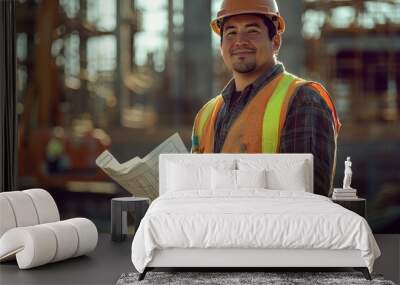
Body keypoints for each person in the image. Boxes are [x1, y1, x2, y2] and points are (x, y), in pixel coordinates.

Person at [191, 0, 341, 197]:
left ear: (275, 41)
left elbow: (308, 199)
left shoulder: (302, 100)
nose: (240, 41)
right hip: (213, 226)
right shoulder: (206, 115)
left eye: (252, 31)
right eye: (231, 33)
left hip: (272, 227)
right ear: (221, 46)